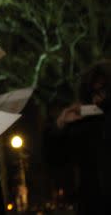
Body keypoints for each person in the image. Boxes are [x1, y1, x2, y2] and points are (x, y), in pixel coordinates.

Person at [49, 60, 111, 215]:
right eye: (93, 93)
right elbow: (57, 160)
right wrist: (60, 126)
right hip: (93, 204)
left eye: (102, 91)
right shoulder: (84, 124)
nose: (97, 99)